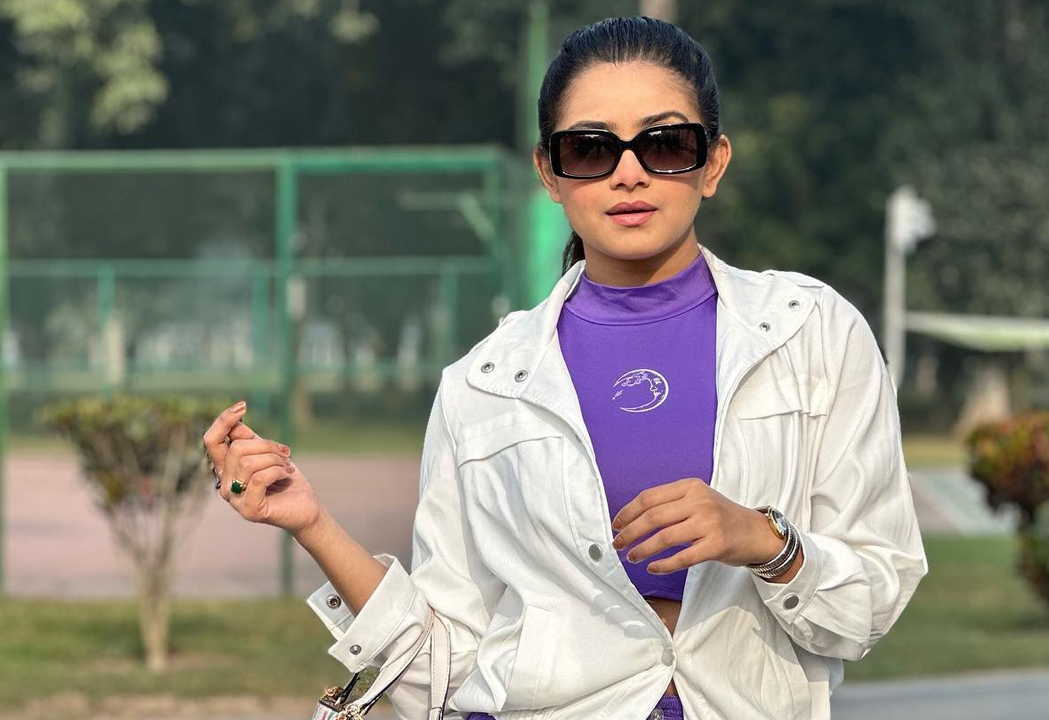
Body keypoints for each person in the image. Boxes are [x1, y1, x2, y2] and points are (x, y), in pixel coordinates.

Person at [202, 16, 927, 720]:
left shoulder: (812, 333)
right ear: (550, 173)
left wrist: (763, 541)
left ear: (713, 162)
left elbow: (871, 602)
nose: (629, 174)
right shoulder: (483, 383)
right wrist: (312, 523)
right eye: (590, 149)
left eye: (665, 143)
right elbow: (444, 669)